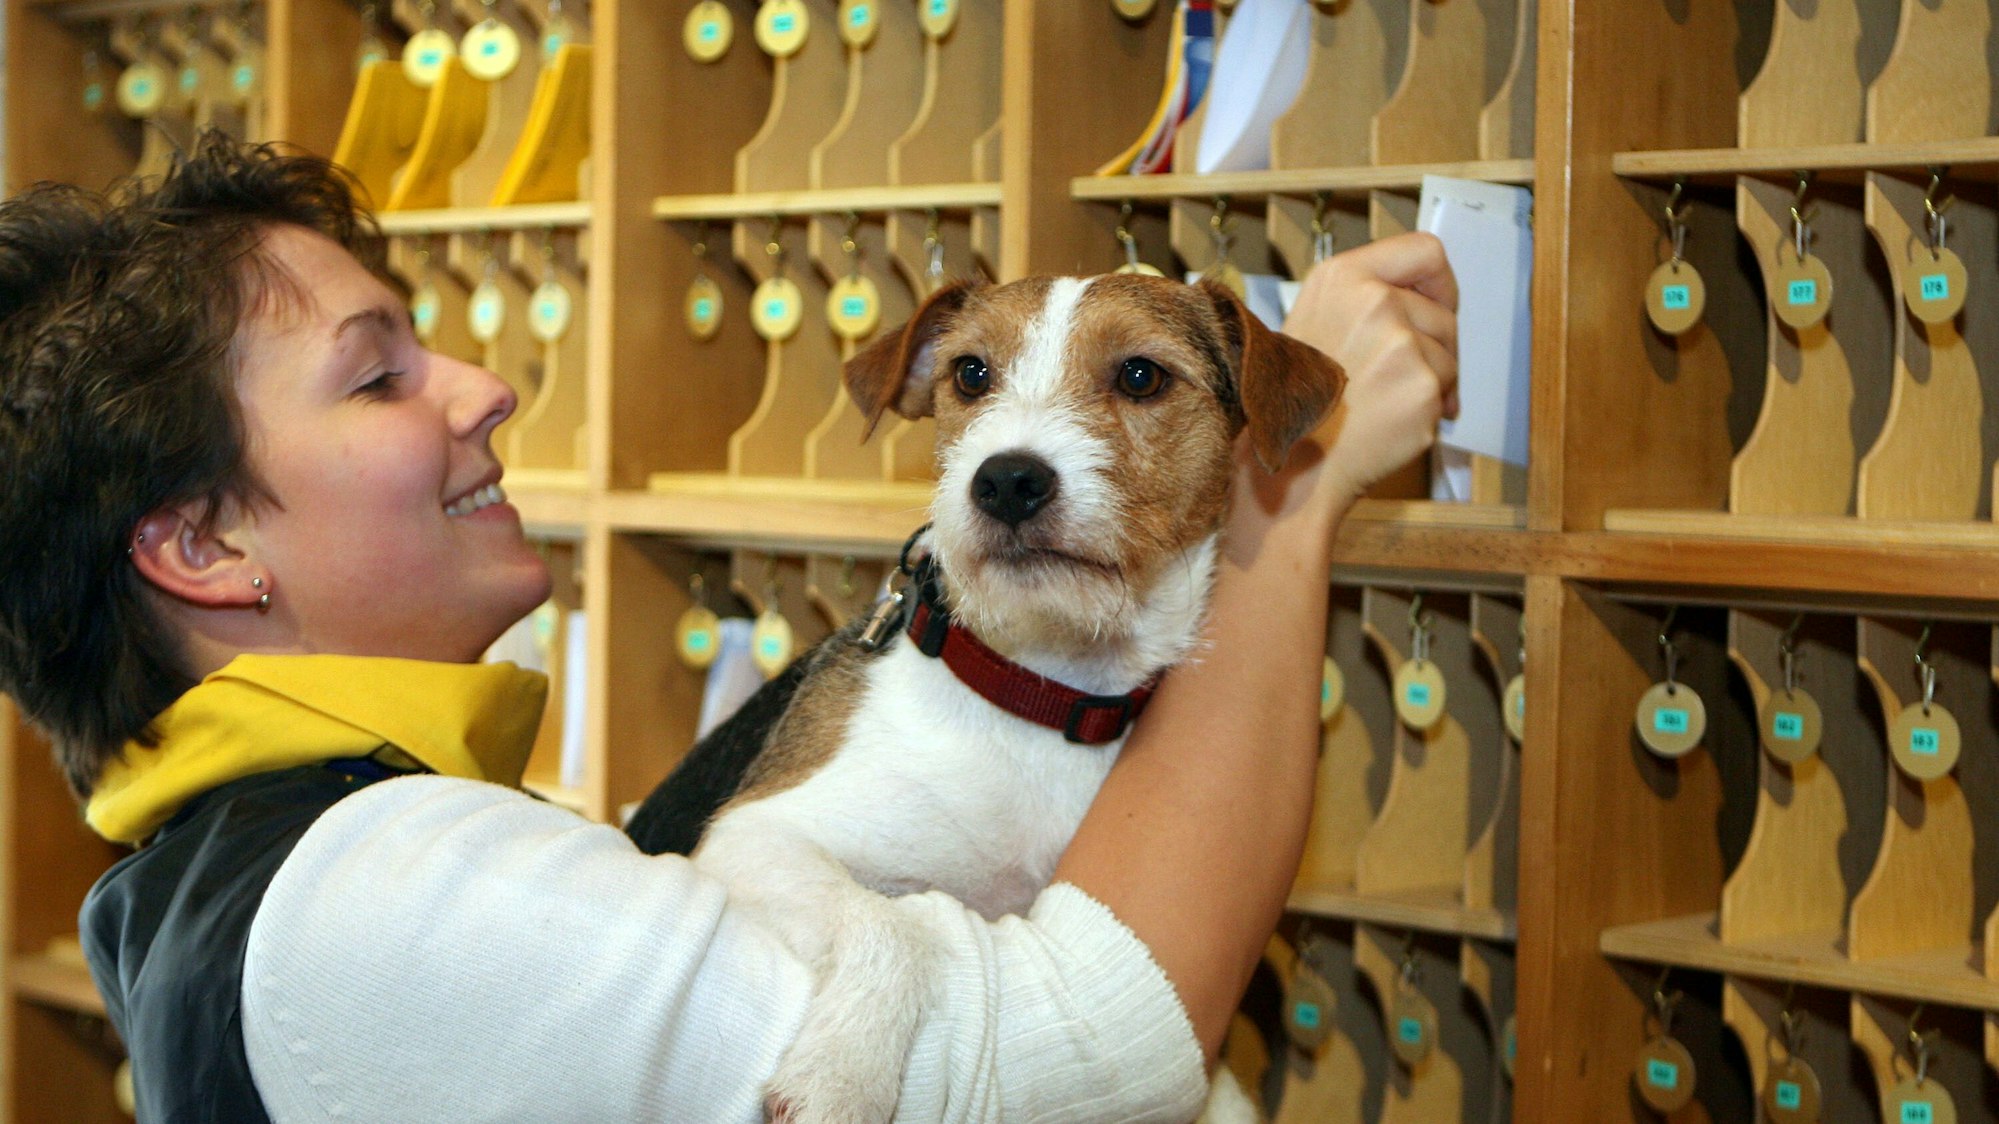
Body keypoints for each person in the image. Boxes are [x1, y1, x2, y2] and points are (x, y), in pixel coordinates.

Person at [0, 133, 1456, 1123]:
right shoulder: (379, 895)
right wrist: (1286, 503)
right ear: (204, 546)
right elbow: (1088, 1046)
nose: (487, 386)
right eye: (378, 378)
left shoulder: (267, 864)